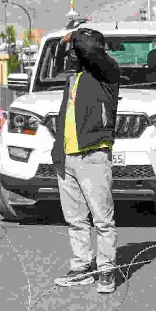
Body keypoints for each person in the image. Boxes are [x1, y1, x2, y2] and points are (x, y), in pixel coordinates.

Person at [50, 26, 122, 294]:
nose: (73, 53)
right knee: (76, 220)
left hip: (93, 155)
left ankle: (106, 269)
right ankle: (82, 268)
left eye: (76, 49)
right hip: (67, 157)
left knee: (102, 220)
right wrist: (58, 152)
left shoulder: (107, 73)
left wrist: (76, 34)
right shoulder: (74, 79)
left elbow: (90, 49)